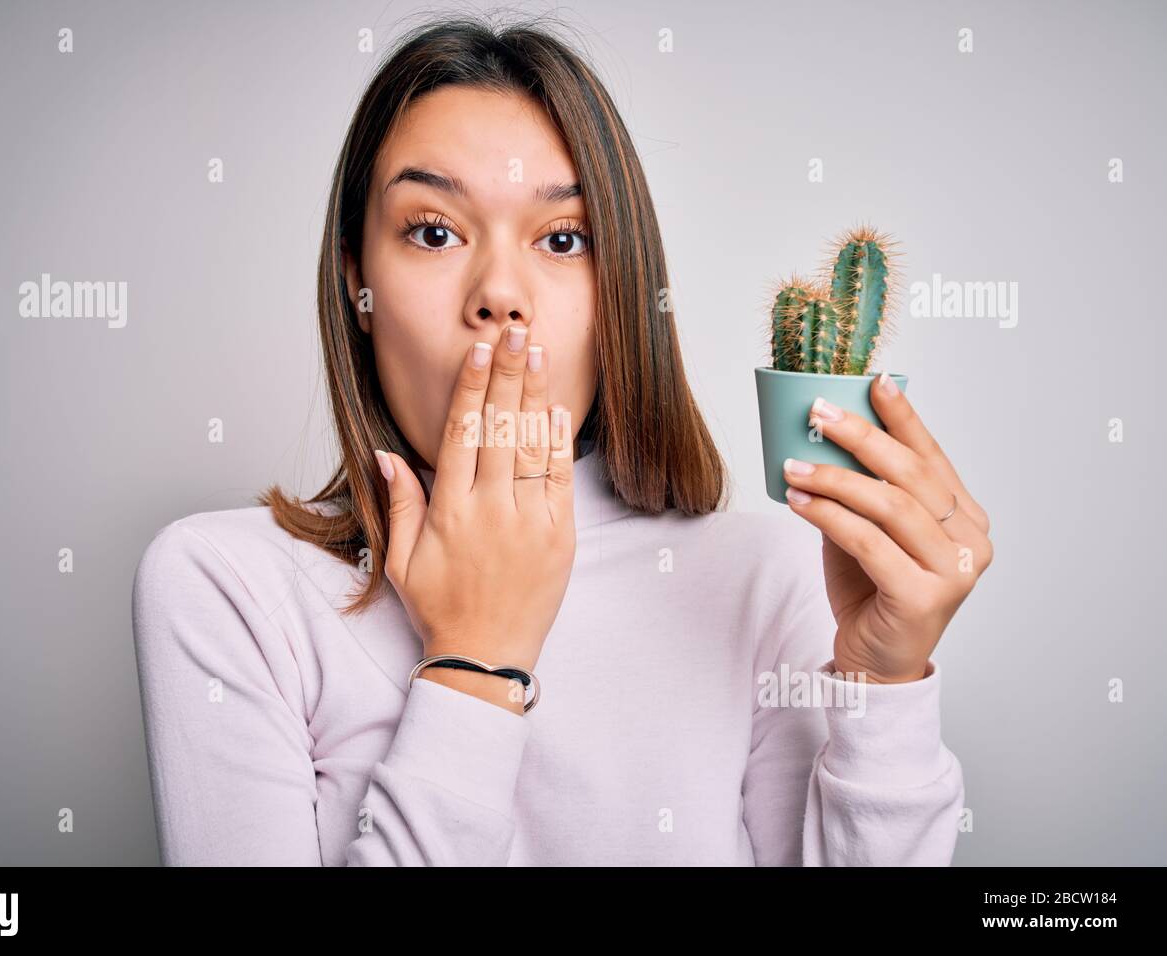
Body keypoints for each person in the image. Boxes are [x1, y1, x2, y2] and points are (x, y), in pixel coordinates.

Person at [131, 15, 992, 866]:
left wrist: (885, 688)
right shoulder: (227, 586)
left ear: (621, 287)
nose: (501, 295)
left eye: (562, 239)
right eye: (434, 231)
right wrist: (476, 661)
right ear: (357, 278)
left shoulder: (768, 579)